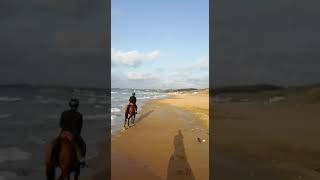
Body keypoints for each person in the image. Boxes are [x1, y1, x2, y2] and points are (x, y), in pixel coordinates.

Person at [59, 98, 86, 166]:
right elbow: (80, 127)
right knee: (83, 145)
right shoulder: (79, 115)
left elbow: (61, 124)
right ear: (77, 106)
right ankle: (82, 160)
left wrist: (65, 129)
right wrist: (77, 135)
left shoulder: (64, 113)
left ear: (69, 105)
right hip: (73, 134)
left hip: (63, 133)